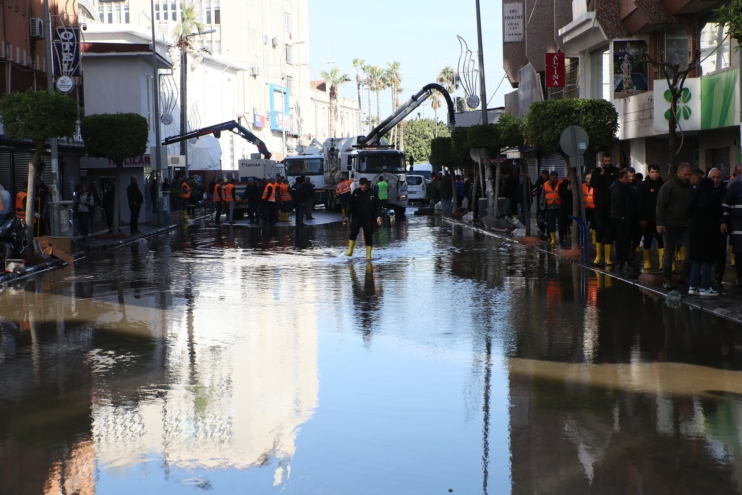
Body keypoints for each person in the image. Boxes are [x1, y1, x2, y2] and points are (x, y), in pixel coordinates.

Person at [656, 162, 694, 290]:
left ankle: (684, 276)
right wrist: (660, 223)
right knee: (669, 251)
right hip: (670, 224)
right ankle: (666, 279)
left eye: (689, 175)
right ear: (678, 173)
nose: (687, 177)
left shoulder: (690, 187)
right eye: (685, 174)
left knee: (691, 250)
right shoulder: (668, 186)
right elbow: (661, 205)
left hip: (685, 223)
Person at [687, 177, 722, 296]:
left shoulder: (695, 198)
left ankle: (692, 286)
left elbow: (689, 212)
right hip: (709, 234)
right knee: (707, 261)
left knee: (697, 261)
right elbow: (719, 214)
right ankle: (705, 287)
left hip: (695, 233)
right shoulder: (713, 198)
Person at [590, 152, 620, 265]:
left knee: (610, 230)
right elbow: (593, 184)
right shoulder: (597, 171)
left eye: (609, 161)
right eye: (605, 161)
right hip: (600, 205)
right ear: (602, 161)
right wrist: (601, 174)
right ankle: (598, 255)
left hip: (612, 205)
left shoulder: (616, 171)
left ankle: (608, 257)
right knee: (599, 227)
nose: (607, 163)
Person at [343, 177, 382, 260]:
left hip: (368, 218)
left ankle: (368, 256)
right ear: (360, 185)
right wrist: (347, 216)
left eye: (364, 187)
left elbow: (378, 205)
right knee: (353, 232)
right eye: (361, 187)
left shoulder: (373, 193)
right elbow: (351, 205)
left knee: (368, 235)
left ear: (367, 185)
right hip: (357, 216)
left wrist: (378, 216)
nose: (363, 189)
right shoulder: (356, 192)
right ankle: (350, 251)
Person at [636, 164, 665, 272]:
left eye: (656, 172)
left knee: (661, 240)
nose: (655, 174)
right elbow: (640, 203)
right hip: (647, 218)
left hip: (659, 218)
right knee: (647, 239)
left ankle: (662, 262)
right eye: (652, 172)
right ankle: (647, 260)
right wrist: (642, 218)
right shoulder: (643, 186)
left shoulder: (663, 185)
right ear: (648, 172)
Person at [610, 170, 634, 274]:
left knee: (623, 240)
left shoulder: (626, 188)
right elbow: (619, 204)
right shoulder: (618, 189)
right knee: (623, 240)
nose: (628, 179)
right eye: (626, 177)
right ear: (620, 179)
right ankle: (623, 261)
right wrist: (624, 216)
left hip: (622, 217)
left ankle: (622, 260)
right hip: (620, 218)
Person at [708, 168, 728, 289]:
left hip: (720, 226)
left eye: (718, 177)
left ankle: (718, 279)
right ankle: (707, 278)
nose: (716, 180)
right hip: (708, 227)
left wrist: (724, 222)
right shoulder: (705, 190)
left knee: (721, 254)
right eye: (713, 177)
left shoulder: (725, 191)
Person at [539, 171, 561, 246]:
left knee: (560, 223)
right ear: (550, 177)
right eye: (553, 178)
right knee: (551, 223)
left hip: (558, 206)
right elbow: (542, 195)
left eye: (556, 178)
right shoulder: (545, 184)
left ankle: (561, 238)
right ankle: (553, 239)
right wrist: (541, 205)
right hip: (549, 206)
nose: (555, 179)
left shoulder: (560, 183)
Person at [557, 174, 573, 245]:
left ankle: (568, 236)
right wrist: (567, 190)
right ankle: (561, 239)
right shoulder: (563, 184)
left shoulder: (576, 184)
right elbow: (561, 194)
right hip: (564, 207)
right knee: (562, 224)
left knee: (571, 223)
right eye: (569, 177)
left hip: (572, 207)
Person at [583, 173, 596, 243]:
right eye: (585, 179)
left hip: (593, 208)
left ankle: (594, 239)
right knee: (584, 223)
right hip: (585, 208)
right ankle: (584, 238)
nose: (586, 180)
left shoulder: (595, 186)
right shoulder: (582, 186)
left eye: (588, 179)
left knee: (594, 224)